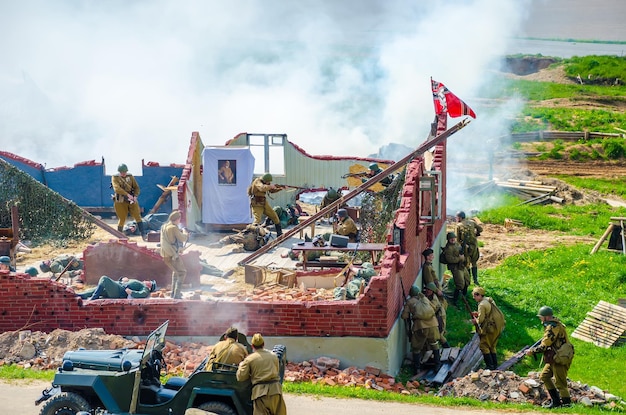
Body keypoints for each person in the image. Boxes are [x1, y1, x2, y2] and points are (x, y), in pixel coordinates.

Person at [526, 306, 573, 408]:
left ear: (546, 317)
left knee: (560, 382)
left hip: (559, 358)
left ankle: (567, 404)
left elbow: (545, 345)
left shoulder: (552, 327)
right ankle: (556, 402)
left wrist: (532, 351)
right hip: (553, 357)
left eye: (541, 317)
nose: (540, 319)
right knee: (544, 376)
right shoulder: (554, 324)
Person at [236, 333, 287, 415]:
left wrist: (241, 365)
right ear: (263, 344)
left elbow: (241, 377)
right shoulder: (274, 356)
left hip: (260, 393)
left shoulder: (249, 359)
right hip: (276, 390)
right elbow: (277, 371)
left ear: (252, 346)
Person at [401, 285, 440, 374]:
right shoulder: (425, 299)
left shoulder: (410, 301)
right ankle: (437, 365)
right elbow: (434, 307)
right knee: (434, 343)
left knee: (416, 348)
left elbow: (404, 316)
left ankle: (417, 369)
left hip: (420, 327)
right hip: (433, 325)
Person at [471, 286, 504, 370]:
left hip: (490, 329)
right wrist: (478, 314)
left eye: (474, 296)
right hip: (497, 326)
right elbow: (489, 314)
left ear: (478, 295)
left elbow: (481, 320)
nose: (473, 298)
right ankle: (495, 365)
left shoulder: (481, 304)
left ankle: (490, 366)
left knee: (484, 346)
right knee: (492, 346)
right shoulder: (489, 300)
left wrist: (475, 320)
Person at [111, 163, 147, 239]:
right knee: (122, 219)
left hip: (132, 200)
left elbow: (136, 188)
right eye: (122, 172)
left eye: (125, 172)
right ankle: (119, 236)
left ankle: (143, 234)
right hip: (120, 200)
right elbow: (116, 188)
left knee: (138, 217)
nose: (123, 174)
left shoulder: (130, 177)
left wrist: (135, 196)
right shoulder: (115, 177)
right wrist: (127, 195)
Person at [160, 210, 189, 299]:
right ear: (177, 219)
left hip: (165, 253)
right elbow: (182, 238)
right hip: (172, 254)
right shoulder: (173, 228)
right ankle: (177, 294)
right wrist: (185, 233)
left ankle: (173, 293)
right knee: (182, 272)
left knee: (176, 272)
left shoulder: (164, 226)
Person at [456, 211, 483, 285]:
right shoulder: (472, 222)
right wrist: (476, 234)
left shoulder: (458, 225)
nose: (456, 219)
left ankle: (468, 281)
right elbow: (480, 229)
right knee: (474, 263)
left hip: (466, 248)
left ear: (460, 218)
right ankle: (475, 280)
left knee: (467, 264)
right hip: (474, 246)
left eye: (457, 217)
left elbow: (457, 240)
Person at [443, 232, 470, 306]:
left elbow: (461, 251)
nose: (453, 239)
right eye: (451, 239)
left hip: (461, 266)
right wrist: (459, 258)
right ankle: (455, 301)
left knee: (467, 281)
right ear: (448, 240)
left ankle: (464, 296)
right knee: (460, 284)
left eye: (454, 238)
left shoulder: (457, 244)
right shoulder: (448, 248)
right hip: (455, 267)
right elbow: (450, 259)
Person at [77, 276, 157, 300]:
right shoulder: (140, 283)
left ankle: (93, 298)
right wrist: (123, 279)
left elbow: (142, 294)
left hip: (119, 291)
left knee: (104, 279)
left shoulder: (145, 288)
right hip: (117, 286)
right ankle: (81, 295)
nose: (146, 280)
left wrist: (131, 292)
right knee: (96, 288)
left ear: (150, 286)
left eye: (149, 281)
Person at [423, 282, 449, 348]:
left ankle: (447, 347)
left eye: (429, 290)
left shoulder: (434, 300)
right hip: (434, 317)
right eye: (427, 289)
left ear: (433, 291)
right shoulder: (428, 296)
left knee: (439, 334)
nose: (427, 291)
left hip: (439, 316)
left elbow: (431, 310)